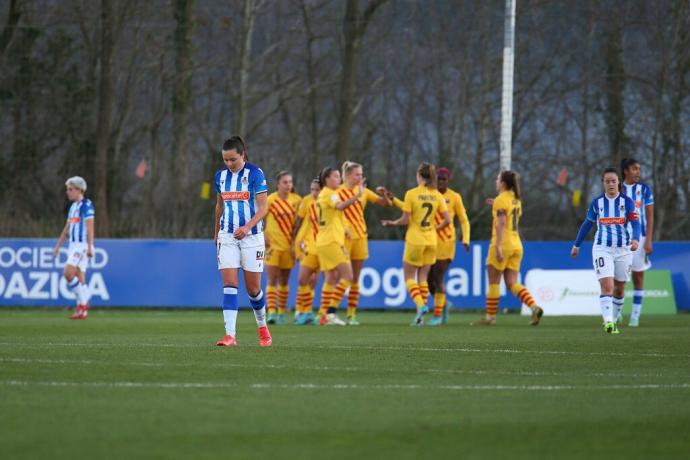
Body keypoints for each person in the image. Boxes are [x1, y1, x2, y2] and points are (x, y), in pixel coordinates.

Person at [214, 136, 272, 347]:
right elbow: (219, 206)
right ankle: (230, 335)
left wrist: (247, 227)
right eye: (225, 160)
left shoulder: (255, 174)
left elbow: (264, 207)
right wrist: (216, 232)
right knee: (229, 284)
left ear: (243, 154)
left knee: (253, 290)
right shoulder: (220, 177)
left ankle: (263, 327)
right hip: (227, 236)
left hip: (252, 237)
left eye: (233, 160)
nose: (229, 164)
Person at [572, 167, 640, 334]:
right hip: (603, 249)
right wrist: (577, 244)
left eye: (613, 181)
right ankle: (608, 322)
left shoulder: (627, 202)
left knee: (619, 289)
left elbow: (636, 223)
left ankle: (614, 320)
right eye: (607, 181)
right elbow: (587, 224)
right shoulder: (597, 203)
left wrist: (636, 238)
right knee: (607, 286)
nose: (610, 184)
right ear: (603, 183)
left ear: (618, 182)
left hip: (623, 249)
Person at [472, 171, 544, 326]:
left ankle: (490, 317)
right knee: (512, 283)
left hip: (503, 244)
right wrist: (495, 204)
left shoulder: (501, 200)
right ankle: (534, 307)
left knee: (493, 282)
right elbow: (509, 215)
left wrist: (497, 246)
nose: (496, 181)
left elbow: (502, 223)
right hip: (516, 244)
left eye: (498, 179)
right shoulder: (516, 200)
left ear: (503, 183)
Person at [382, 163, 450, 326]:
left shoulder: (411, 194)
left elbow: (405, 219)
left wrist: (392, 223)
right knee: (423, 279)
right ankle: (420, 318)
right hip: (431, 241)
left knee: (409, 277)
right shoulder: (437, 195)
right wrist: (435, 227)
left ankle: (421, 306)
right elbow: (447, 220)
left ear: (419, 175)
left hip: (415, 240)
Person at [337, 161, 392, 325]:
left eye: (361, 174)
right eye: (357, 174)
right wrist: (344, 227)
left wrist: (385, 194)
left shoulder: (364, 191)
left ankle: (351, 315)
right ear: (348, 175)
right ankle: (328, 312)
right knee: (340, 277)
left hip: (360, 237)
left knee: (355, 278)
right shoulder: (338, 192)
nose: (360, 177)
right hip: (343, 238)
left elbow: (386, 204)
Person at [315, 167, 362, 326]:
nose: (339, 179)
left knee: (330, 278)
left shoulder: (323, 195)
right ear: (327, 179)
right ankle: (330, 313)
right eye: (335, 176)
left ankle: (322, 315)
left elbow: (334, 216)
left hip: (323, 241)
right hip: (332, 242)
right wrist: (357, 195)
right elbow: (340, 207)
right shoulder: (330, 193)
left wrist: (345, 228)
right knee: (348, 276)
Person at [427, 167, 470, 325]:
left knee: (438, 277)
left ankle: (437, 315)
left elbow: (464, 219)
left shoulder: (454, 197)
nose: (441, 181)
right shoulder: (429, 194)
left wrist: (466, 238)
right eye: (438, 178)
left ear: (448, 180)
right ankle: (443, 304)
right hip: (429, 241)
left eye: (444, 179)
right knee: (427, 280)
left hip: (446, 242)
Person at [52, 176, 95, 320]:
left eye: (70, 189)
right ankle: (82, 311)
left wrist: (89, 247)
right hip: (73, 245)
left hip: (82, 246)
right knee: (79, 277)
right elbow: (67, 229)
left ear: (79, 190)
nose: (68, 192)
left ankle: (83, 303)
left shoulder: (86, 205)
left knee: (68, 273)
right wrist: (58, 246)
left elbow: (90, 227)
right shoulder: (73, 207)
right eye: (67, 190)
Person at [264, 171, 301, 325]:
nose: (288, 185)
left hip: (289, 246)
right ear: (278, 184)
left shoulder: (297, 200)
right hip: (272, 245)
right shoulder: (271, 199)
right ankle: (271, 312)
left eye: (290, 182)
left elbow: (299, 224)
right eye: (285, 182)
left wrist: (297, 243)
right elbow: (259, 216)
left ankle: (281, 312)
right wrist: (262, 234)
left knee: (284, 280)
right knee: (272, 279)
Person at [621, 158, 654, 327]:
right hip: (619, 240)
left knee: (638, 277)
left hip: (640, 240)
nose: (638, 172)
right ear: (625, 171)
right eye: (635, 168)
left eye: (639, 169)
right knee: (617, 279)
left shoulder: (645, 190)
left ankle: (635, 316)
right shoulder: (617, 189)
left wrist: (648, 239)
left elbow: (649, 216)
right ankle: (616, 312)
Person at [292, 178, 322, 325]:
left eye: (317, 189)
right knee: (305, 278)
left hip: (321, 245)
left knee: (313, 280)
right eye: (312, 189)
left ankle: (305, 310)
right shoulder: (307, 201)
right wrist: (294, 242)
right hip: (305, 243)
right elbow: (298, 221)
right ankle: (301, 310)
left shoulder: (328, 201)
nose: (314, 192)